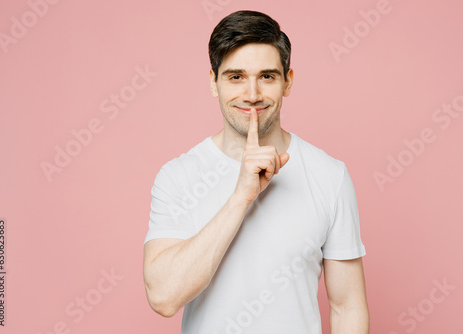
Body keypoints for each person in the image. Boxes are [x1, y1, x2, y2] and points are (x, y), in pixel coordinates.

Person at [143, 10, 369, 334]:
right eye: (236, 77)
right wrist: (242, 196)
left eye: (267, 76)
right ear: (213, 82)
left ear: (287, 82)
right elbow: (163, 297)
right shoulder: (178, 177)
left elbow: (348, 308)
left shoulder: (330, 176)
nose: (252, 95)